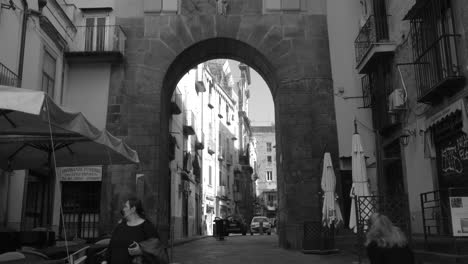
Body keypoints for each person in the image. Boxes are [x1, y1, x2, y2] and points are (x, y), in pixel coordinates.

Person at [103, 197, 166, 264]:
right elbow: (111, 246)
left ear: (133, 209)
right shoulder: (120, 226)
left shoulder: (147, 227)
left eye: (125, 207)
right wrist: (105, 261)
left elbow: (156, 250)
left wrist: (141, 251)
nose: (123, 209)